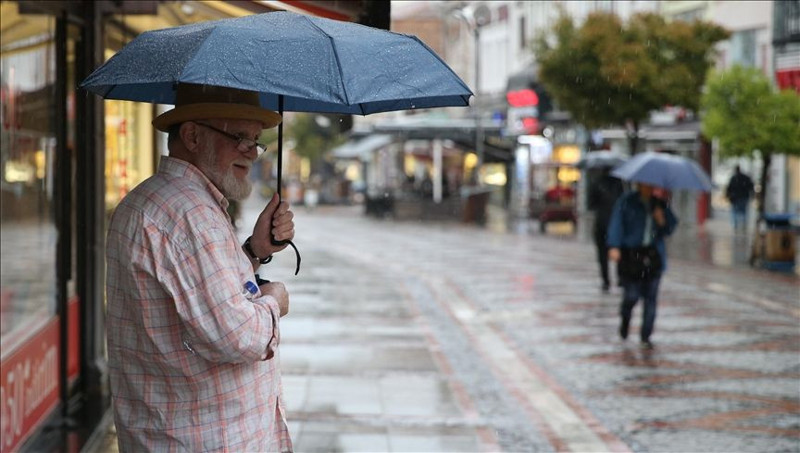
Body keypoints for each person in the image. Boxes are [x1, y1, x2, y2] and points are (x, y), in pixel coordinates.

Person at [105, 83, 296, 452]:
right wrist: (275, 302)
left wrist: (254, 251)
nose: (251, 153)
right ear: (192, 135)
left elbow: (193, 296)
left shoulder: (155, 199)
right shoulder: (191, 214)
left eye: (255, 141)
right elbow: (238, 337)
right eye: (239, 137)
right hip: (205, 439)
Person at [607, 182, 678, 349]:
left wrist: (662, 220)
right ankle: (625, 319)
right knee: (631, 296)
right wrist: (614, 246)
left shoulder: (659, 203)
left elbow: (670, 228)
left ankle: (646, 336)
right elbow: (617, 224)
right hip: (631, 256)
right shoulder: (626, 201)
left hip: (653, 256)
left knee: (650, 298)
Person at [587, 168, 625, 292]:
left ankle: (606, 281)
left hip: (602, 223)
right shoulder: (619, 183)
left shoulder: (596, 182)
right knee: (618, 250)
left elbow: (590, 204)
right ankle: (620, 279)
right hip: (616, 222)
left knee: (602, 254)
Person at [725, 165, 755, 231]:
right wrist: (752, 195)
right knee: (744, 211)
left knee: (735, 212)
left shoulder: (733, 178)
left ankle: (735, 225)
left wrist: (728, 195)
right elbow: (751, 186)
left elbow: (729, 188)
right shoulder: (745, 178)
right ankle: (744, 224)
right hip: (744, 197)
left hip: (735, 198)